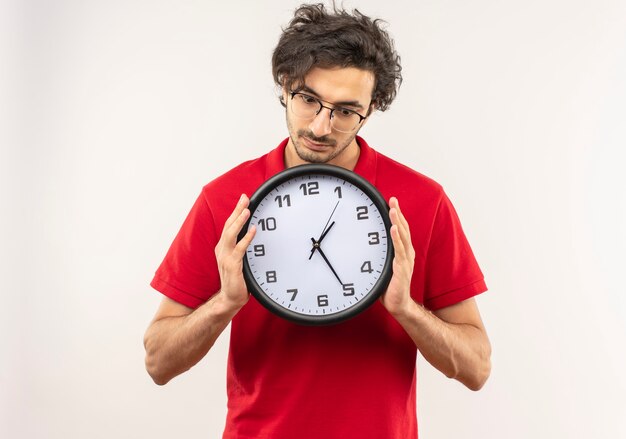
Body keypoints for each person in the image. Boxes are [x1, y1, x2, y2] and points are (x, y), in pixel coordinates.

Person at [144, 3, 491, 438]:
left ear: (372, 108)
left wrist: (407, 311)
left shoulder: (423, 202)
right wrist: (225, 303)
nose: (322, 127)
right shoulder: (226, 201)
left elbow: (477, 367)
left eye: (346, 111)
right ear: (285, 86)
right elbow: (158, 361)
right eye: (309, 100)